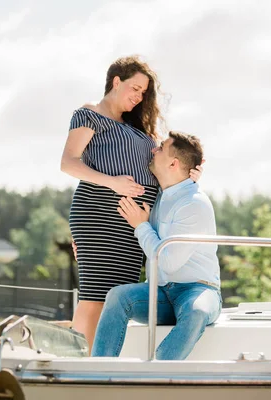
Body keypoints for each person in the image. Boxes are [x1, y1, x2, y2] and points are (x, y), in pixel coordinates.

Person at [60, 56, 201, 351]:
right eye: (134, 88)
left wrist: (191, 176)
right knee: (94, 295)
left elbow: (166, 169)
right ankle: (77, 364)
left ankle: (100, 361)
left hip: (133, 225)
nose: (138, 97)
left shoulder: (139, 130)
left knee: (114, 297)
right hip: (100, 215)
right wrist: (114, 183)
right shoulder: (89, 115)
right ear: (116, 82)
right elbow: (68, 163)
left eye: (143, 93)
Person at [91, 131, 221, 360]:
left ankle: (155, 373)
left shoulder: (194, 203)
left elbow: (168, 262)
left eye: (160, 147)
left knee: (196, 311)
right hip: (160, 292)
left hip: (198, 290)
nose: (154, 150)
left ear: (173, 163)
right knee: (117, 296)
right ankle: (100, 371)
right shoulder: (163, 194)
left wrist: (141, 226)